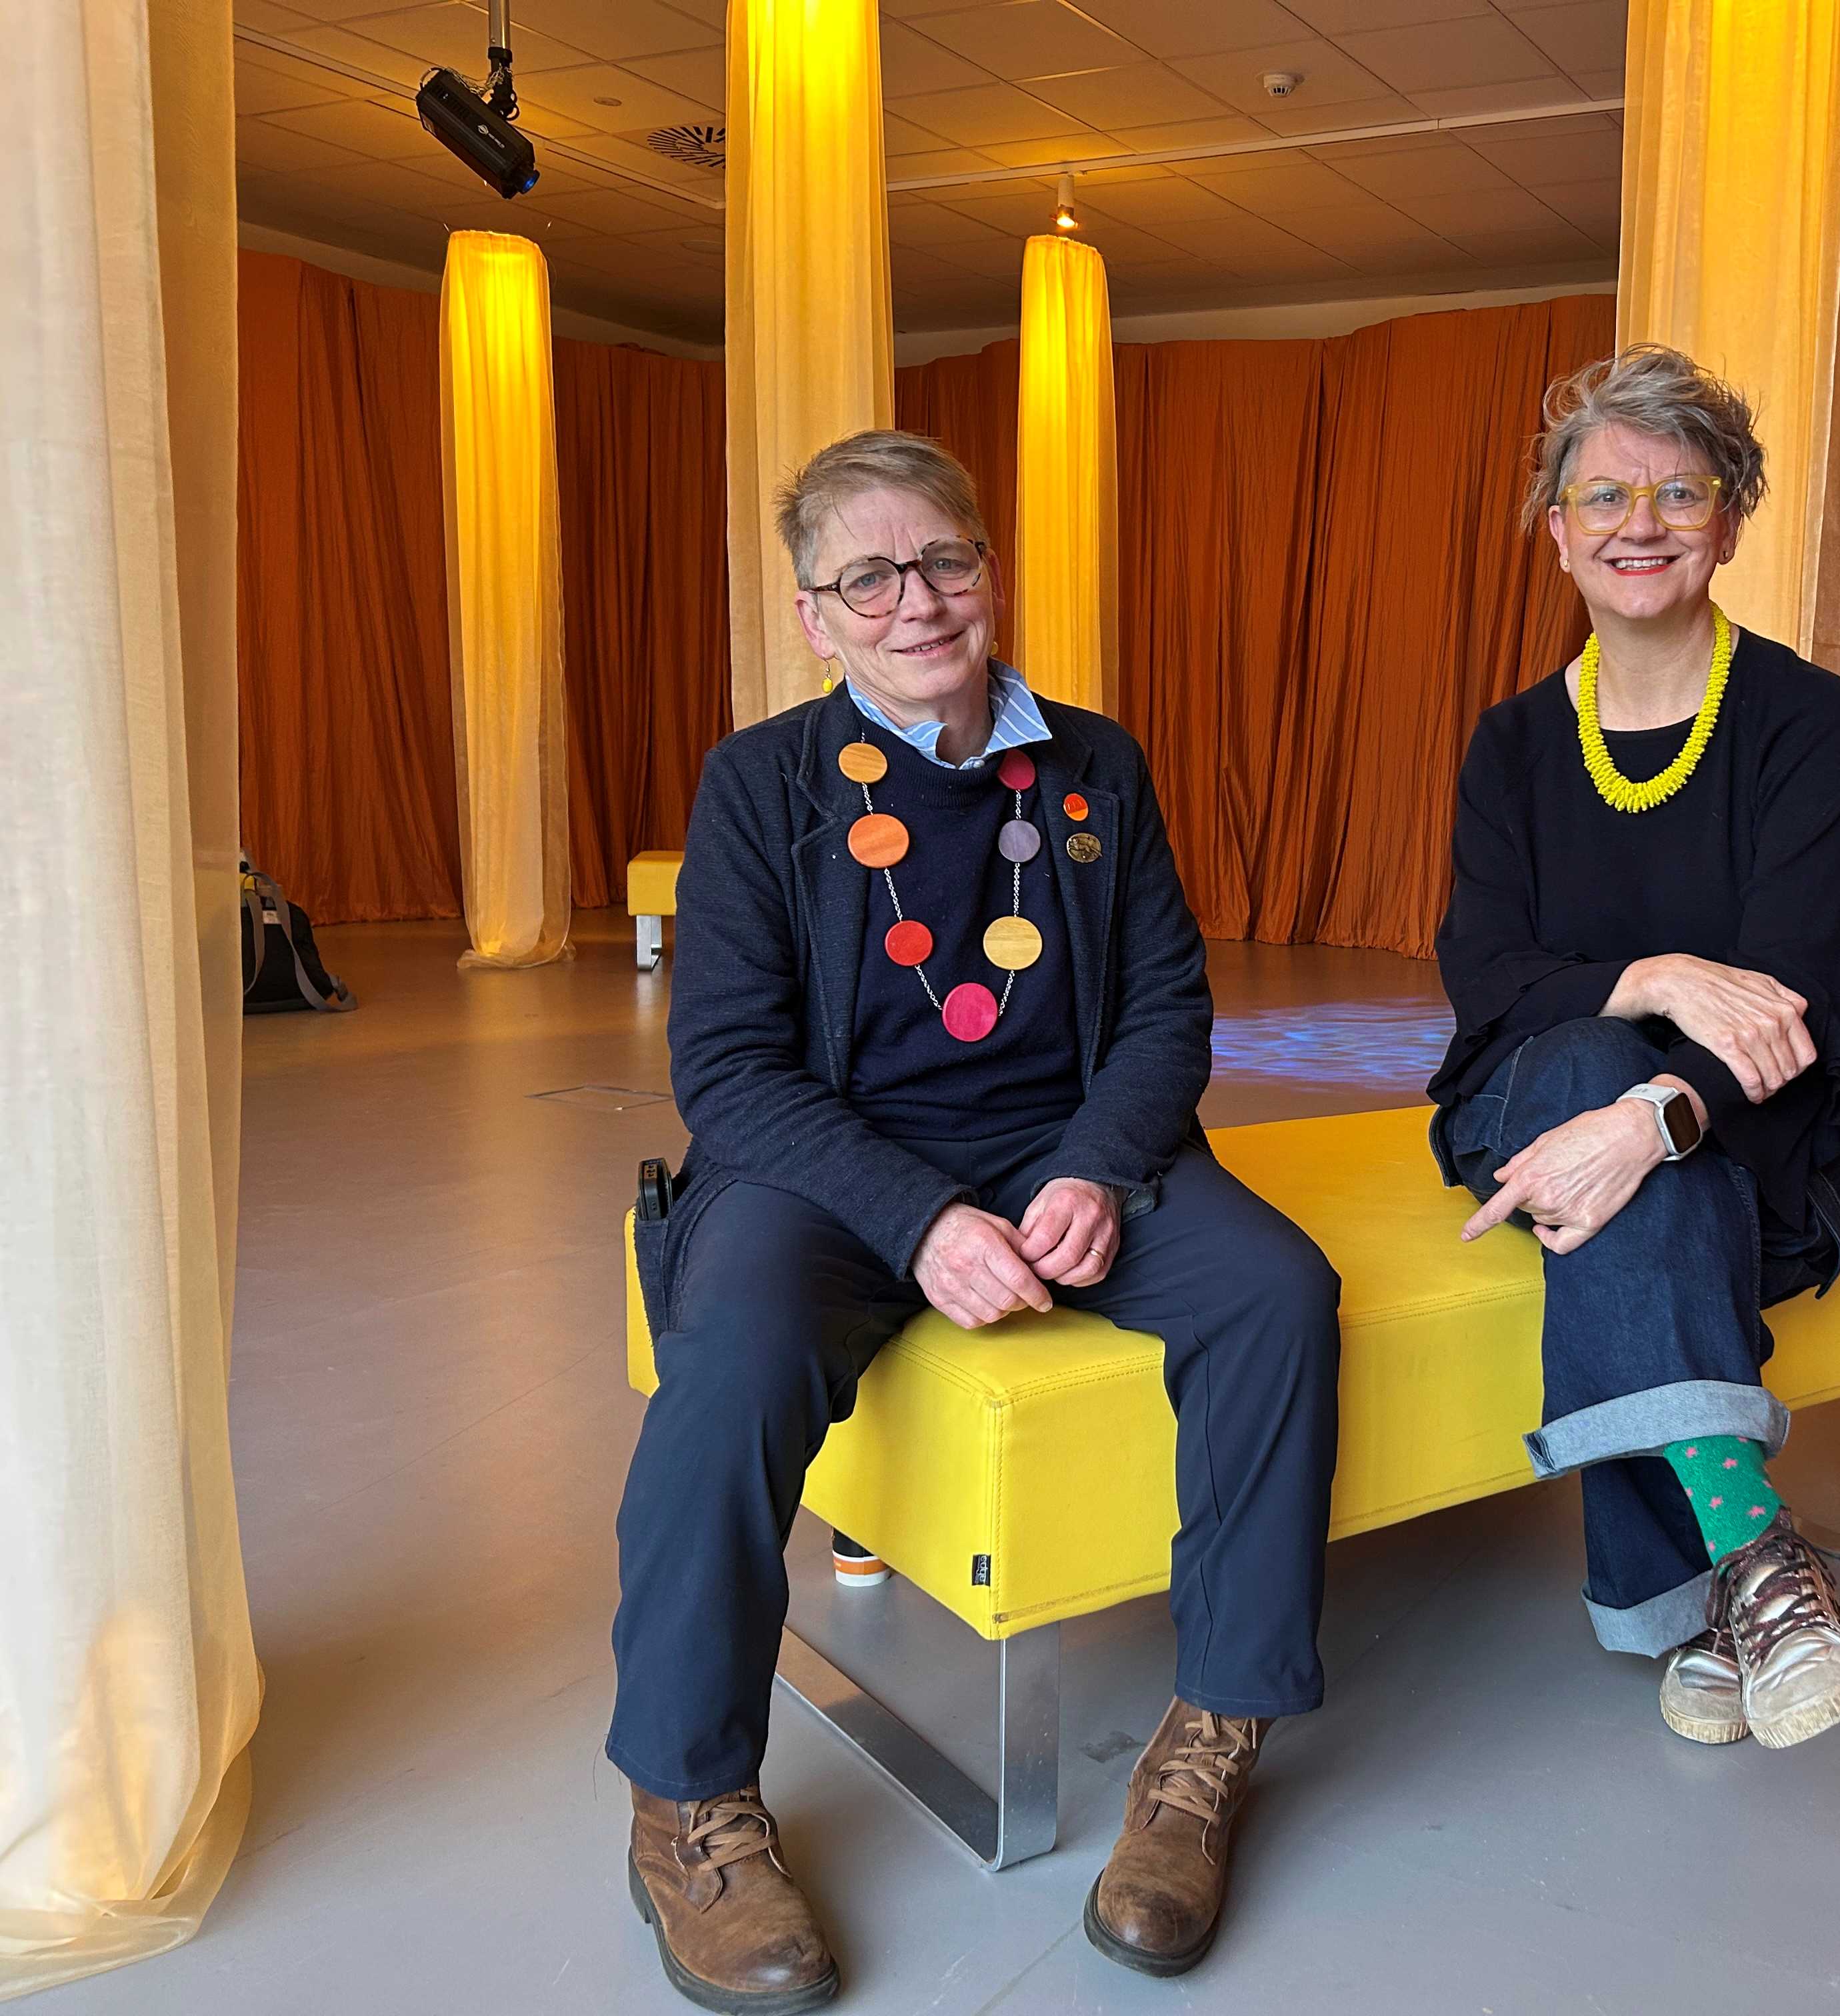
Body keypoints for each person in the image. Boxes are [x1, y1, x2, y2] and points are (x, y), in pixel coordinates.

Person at [609, 431, 1341, 2009]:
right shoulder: (760, 786)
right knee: (728, 1357)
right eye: (866, 575)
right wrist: (922, 1214)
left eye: (942, 558)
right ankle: (688, 1805)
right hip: (823, 1170)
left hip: (1066, 1152)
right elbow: (727, 1071)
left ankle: (1210, 1741)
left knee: (1277, 1294)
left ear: (988, 570)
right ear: (816, 617)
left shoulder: (1096, 766)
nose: (914, 600)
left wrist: (1093, 1166)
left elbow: (1165, 1013)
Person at [1428, 344, 1840, 1754]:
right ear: (1558, 529)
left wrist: (1652, 1120)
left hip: (1773, 1122)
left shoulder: (1810, 723)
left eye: (1680, 491)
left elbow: (1797, 993)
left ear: (1731, 522)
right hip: (1534, 1096)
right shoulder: (1512, 746)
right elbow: (1486, 978)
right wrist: (1653, 977)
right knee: (1577, 1054)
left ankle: (1692, 1605)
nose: (1642, 522)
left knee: (1619, 1120)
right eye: (1605, 494)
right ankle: (1759, 1557)